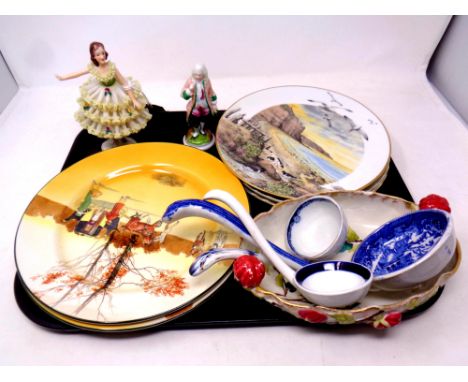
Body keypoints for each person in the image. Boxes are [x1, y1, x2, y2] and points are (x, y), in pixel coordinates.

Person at [56, 41, 152, 150]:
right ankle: (115, 141)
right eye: (98, 54)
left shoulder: (112, 67)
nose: (101, 56)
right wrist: (63, 78)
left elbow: (124, 83)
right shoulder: (93, 68)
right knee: (108, 118)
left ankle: (124, 138)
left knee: (122, 115)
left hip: (117, 93)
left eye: (102, 53)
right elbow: (78, 73)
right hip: (101, 95)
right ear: (93, 57)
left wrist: (134, 100)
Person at [180, 64, 217, 150]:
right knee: (194, 120)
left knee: (204, 119)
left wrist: (214, 103)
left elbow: (211, 91)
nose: (198, 76)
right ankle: (196, 131)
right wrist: (189, 90)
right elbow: (184, 95)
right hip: (195, 107)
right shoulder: (190, 81)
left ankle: (202, 129)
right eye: (196, 74)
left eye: (200, 75)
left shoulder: (207, 81)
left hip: (205, 105)